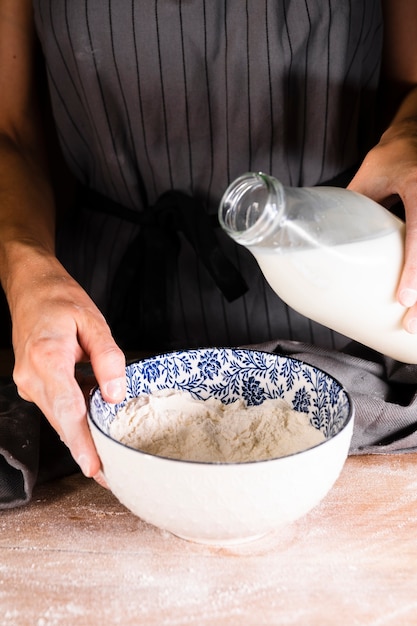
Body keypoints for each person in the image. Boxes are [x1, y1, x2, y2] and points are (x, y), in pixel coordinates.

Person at [0, 0, 416, 485]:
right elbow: (10, 131)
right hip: (93, 338)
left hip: (339, 329)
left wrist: (410, 129)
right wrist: (26, 265)